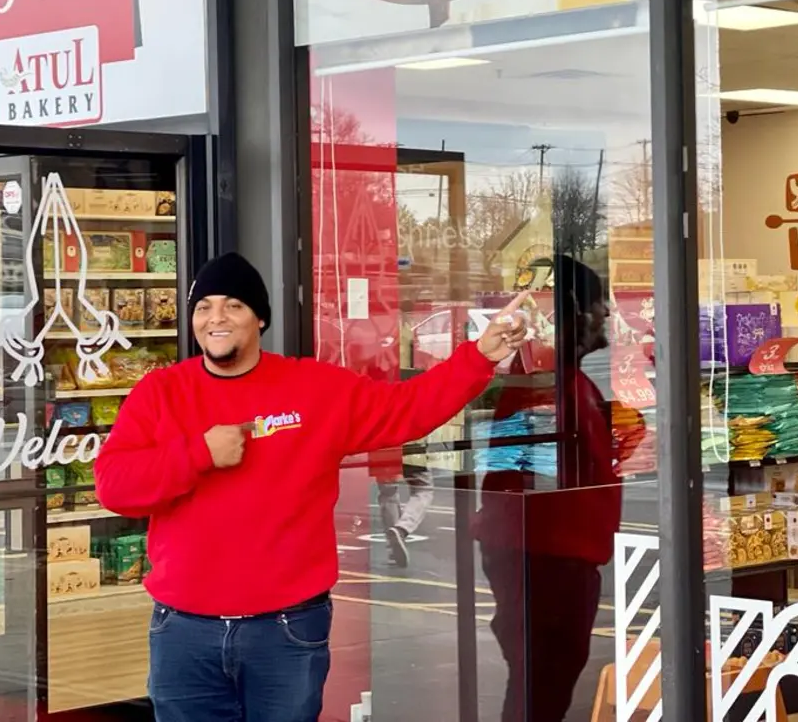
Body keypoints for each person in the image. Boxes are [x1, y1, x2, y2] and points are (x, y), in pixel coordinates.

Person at [94, 252, 528, 722]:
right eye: (204, 307)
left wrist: (479, 356)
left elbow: (410, 409)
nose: (215, 318)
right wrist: (198, 454)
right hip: (183, 632)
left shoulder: (314, 389)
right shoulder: (161, 393)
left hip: (286, 630)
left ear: (260, 317)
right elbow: (114, 487)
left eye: (233, 305)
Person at [476, 256, 645, 722]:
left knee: (546, 678)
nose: (607, 315)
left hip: (557, 552)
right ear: (576, 311)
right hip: (544, 555)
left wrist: (614, 446)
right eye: (598, 304)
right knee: (543, 678)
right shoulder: (546, 383)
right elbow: (531, 468)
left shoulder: (571, 381)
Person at [378, 462, 433, 567]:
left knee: (388, 493)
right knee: (423, 489)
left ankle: (393, 549)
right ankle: (402, 528)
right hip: (410, 448)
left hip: (380, 449)